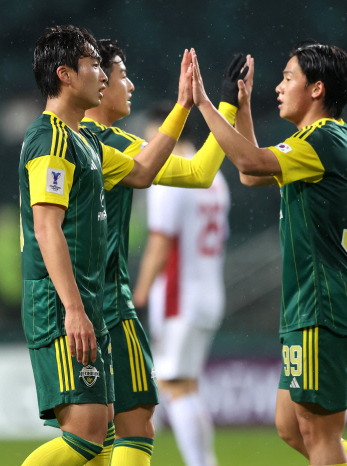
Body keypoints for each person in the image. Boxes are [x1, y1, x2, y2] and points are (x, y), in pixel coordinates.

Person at [186, 42, 347, 466]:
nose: (279, 87)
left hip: (324, 304)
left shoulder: (321, 141)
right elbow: (252, 176)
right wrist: (244, 108)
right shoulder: (322, 140)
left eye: (288, 78)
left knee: (319, 431)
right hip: (313, 302)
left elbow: (249, 162)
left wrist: (206, 104)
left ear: (317, 89)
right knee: (291, 424)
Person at [68, 39, 251, 466]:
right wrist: (202, 105)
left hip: (110, 301)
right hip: (91, 302)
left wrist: (219, 105)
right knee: (105, 427)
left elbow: (196, 173)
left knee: (120, 423)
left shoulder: (105, 144)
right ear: (96, 82)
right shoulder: (83, 144)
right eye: (122, 76)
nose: (129, 85)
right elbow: (202, 174)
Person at [19, 25, 193, 466]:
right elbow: (46, 229)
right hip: (62, 304)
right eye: (94, 65)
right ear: (64, 75)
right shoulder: (51, 140)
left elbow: (142, 171)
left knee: (102, 428)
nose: (102, 74)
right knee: (86, 434)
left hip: (86, 302)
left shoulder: (84, 141)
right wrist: (74, 311)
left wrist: (185, 107)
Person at [132, 112, 231, 466]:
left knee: (175, 386)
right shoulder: (214, 176)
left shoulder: (170, 174)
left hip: (179, 297)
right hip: (208, 292)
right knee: (182, 386)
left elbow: (160, 243)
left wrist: (138, 294)